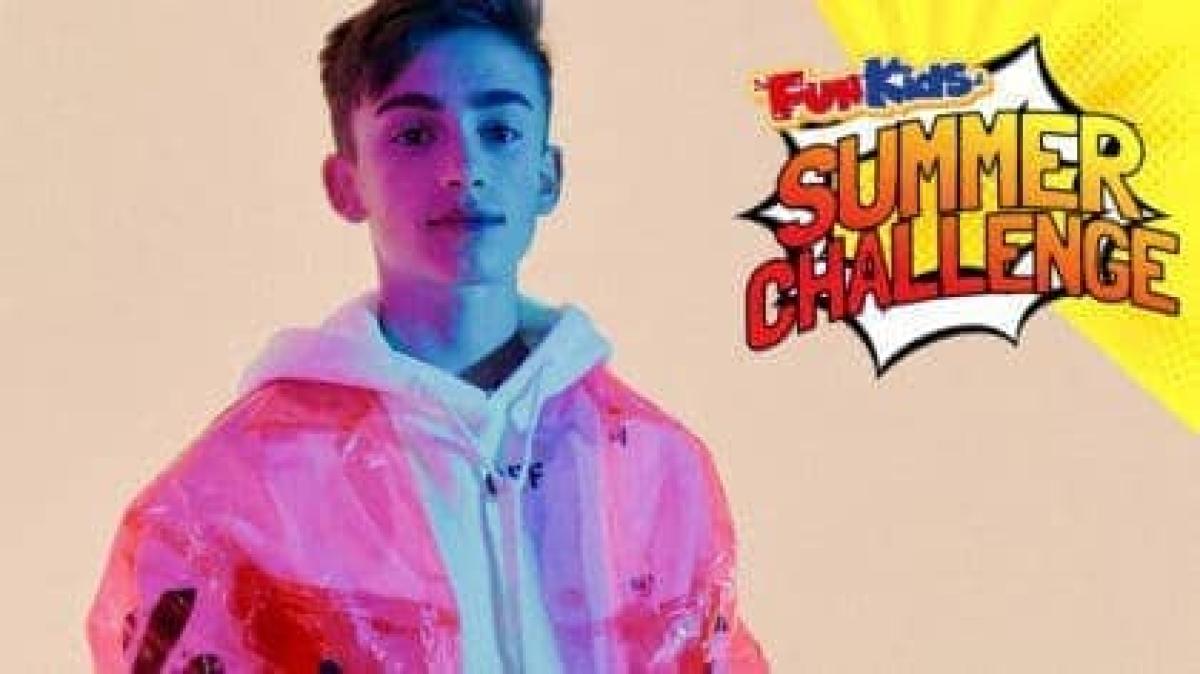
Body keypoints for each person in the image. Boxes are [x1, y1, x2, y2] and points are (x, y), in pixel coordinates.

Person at [87, 0, 768, 671]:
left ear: (547, 175)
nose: (462, 169)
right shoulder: (246, 488)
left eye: (500, 131)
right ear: (346, 184)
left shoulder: (650, 464)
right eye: (414, 135)